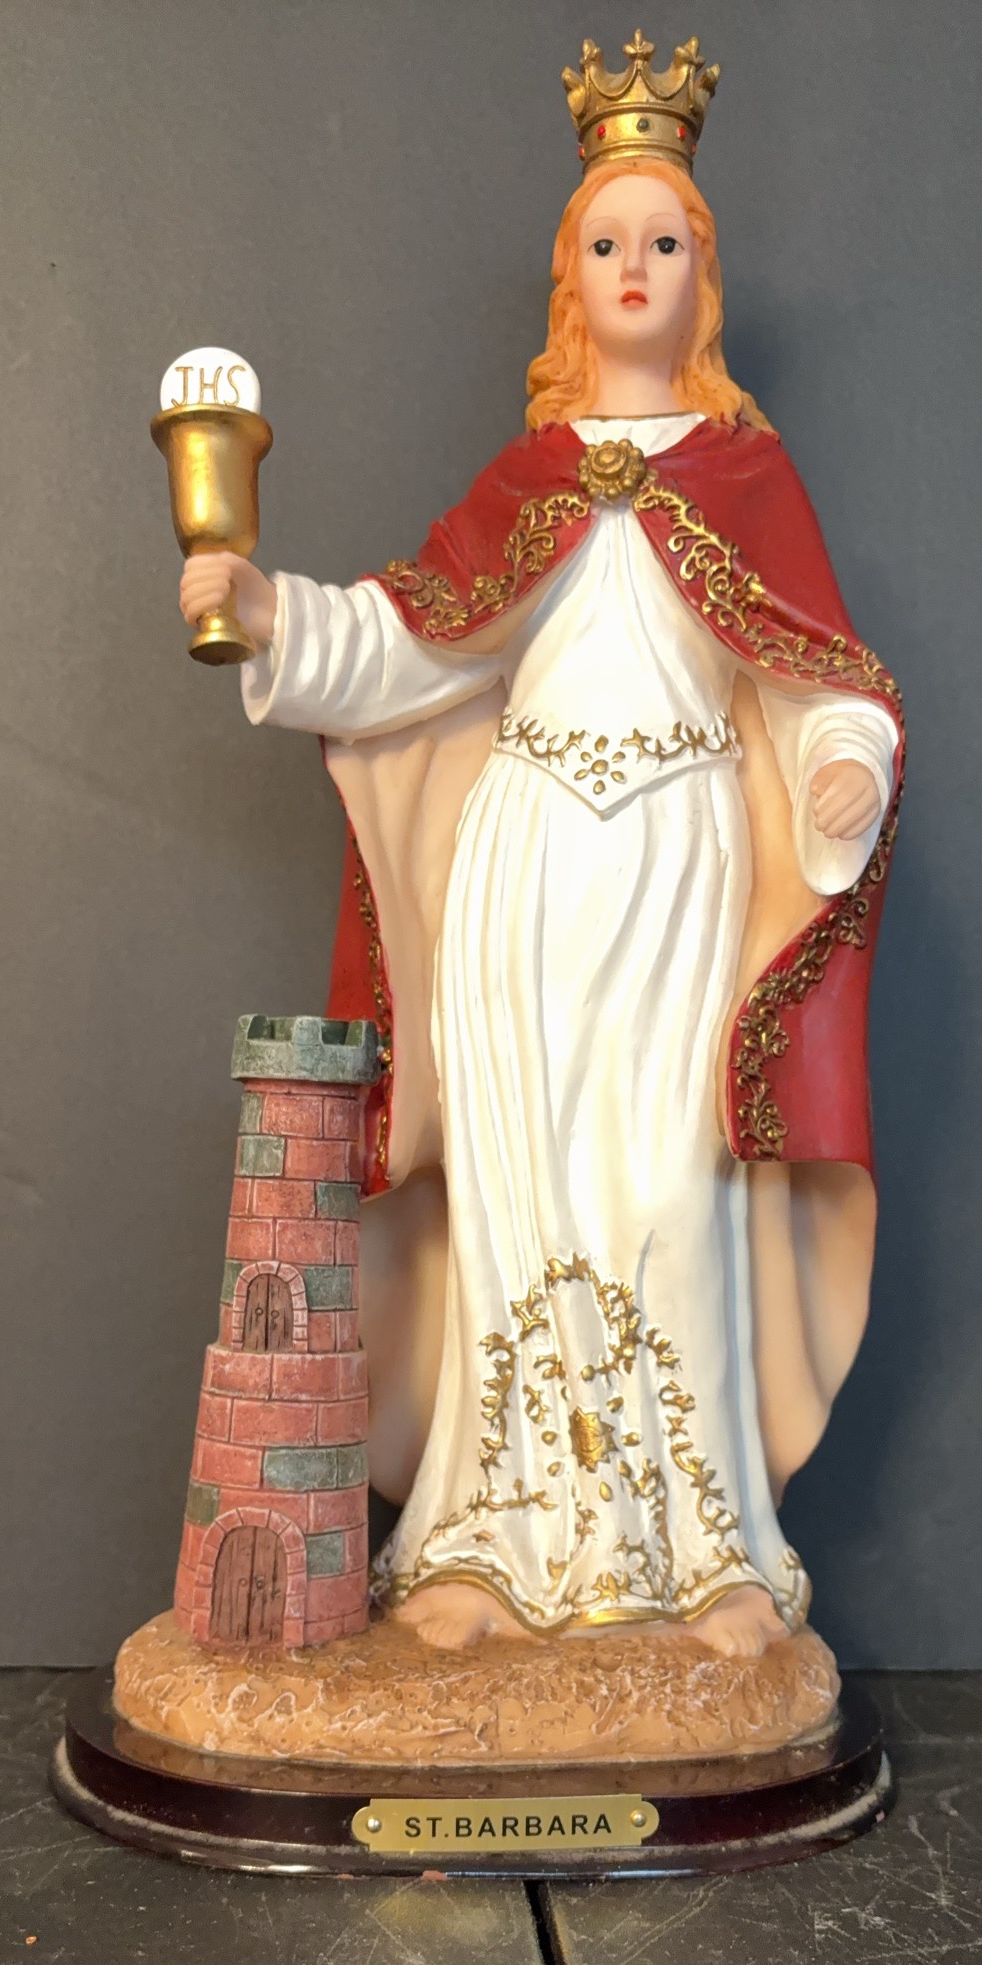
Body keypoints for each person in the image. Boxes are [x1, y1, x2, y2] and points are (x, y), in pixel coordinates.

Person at [179, 76, 902, 1659]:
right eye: (606, 243)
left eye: (664, 242)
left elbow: (821, 674)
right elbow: (412, 636)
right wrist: (273, 609)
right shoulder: (537, 480)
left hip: (678, 874)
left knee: (669, 1191)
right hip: (525, 881)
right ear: (569, 279)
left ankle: (701, 1551)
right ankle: (488, 1543)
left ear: (703, 276)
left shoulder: (745, 476)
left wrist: (843, 759)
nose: (636, 266)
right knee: (519, 1194)